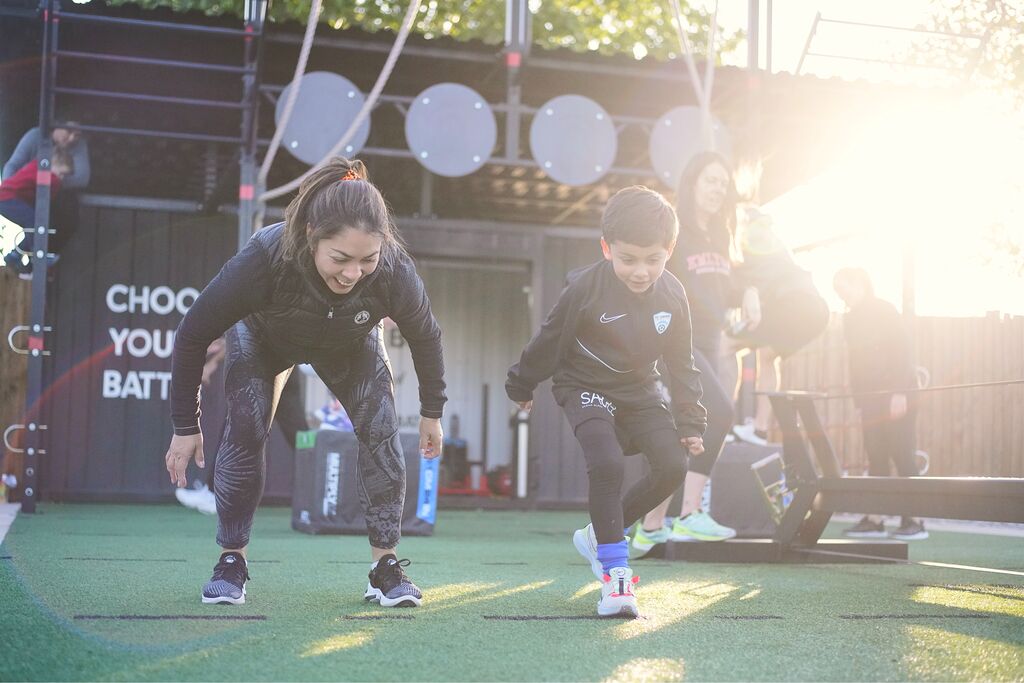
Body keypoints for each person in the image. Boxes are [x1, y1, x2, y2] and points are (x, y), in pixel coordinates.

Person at [164, 157, 447, 607]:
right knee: (247, 425)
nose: (353, 272)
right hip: (264, 340)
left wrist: (433, 412)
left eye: (366, 259)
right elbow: (193, 332)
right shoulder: (265, 256)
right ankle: (231, 561)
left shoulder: (392, 269)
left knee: (382, 427)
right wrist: (185, 425)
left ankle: (385, 566)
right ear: (312, 234)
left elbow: (427, 336)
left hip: (350, 343)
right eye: (340, 258)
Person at [506, 185, 706, 618]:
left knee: (673, 464)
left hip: (639, 388)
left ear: (669, 250)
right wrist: (521, 384)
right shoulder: (584, 288)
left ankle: (601, 533)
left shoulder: (672, 295)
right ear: (606, 248)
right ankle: (616, 576)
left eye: (653, 259)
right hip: (583, 383)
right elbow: (550, 337)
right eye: (628, 259)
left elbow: (681, 362)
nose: (640, 271)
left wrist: (690, 421)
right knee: (608, 462)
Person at [632, 151, 753, 553]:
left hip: (708, 344)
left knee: (684, 432)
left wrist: (748, 291)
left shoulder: (721, 235)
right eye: (711, 180)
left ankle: (651, 525)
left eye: (723, 182)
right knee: (717, 412)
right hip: (673, 343)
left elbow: (724, 290)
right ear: (693, 184)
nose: (718, 189)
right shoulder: (673, 230)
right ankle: (688, 517)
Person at [833, 267, 927, 541]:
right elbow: (857, 361)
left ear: (860, 283)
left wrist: (899, 392)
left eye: (844, 287)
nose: (841, 294)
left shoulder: (884, 309)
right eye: (837, 290)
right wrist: (860, 400)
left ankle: (915, 520)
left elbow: (903, 350)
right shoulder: (850, 319)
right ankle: (875, 519)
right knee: (875, 456)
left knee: (902, 453)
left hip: (898, 393)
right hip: (871, 399)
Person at [727, 206, 830, 445]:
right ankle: (760, 430)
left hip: (794, 305)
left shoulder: (751, 235)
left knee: (726, 344)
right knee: (766, 356)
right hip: (815, 310)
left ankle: (720, 421)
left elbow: (741, 277)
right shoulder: (773, 239)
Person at [174, 339, 311, 515]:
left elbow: (240, 336)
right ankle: (213, 491)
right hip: (272, 364)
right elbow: (238, 336)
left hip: (275, 365)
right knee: (297, 435)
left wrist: (213, 362)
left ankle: (325, 493)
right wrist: (215, 358)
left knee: (298, 436)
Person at [1, 149, 74, 277]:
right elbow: (46, 196)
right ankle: (37, 255)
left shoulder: (36, 167)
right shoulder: (50, 176)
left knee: (32, 224)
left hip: (7, 198)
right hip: (8, 198)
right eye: (61, 173)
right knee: (34, 222)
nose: (61, 178)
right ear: (53, 163)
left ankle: (15, 255)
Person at [3, 124, 90, 189]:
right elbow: (12, 165)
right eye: (69, 131)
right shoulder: (35, 136)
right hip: (25, 190)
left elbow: (82, 178)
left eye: (77, 135)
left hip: (59, 194)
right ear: (57, 125)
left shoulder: (79, 144)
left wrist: (50, 181)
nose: (71, 138)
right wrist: (7, 189)